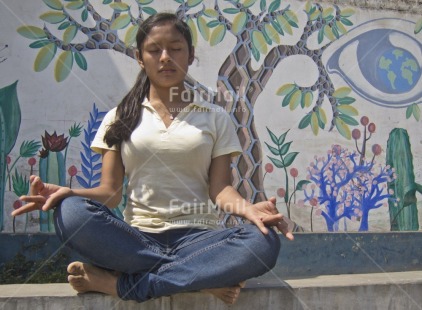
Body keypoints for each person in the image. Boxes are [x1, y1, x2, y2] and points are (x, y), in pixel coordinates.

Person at [12, 12, 293, 305]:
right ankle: (201, 279)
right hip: (136, 241)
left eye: (175, 48)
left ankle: (123, 285)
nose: (165, 57)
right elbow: (109, 193)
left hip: (198, 241)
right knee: (71, 212)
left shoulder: (215, 117)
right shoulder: (118, 117)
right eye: (154, 49)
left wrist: (247, 209)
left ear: (191, 55)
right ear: (139, 57)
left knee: (263, 241)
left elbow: (220, 189)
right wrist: (70, 193)